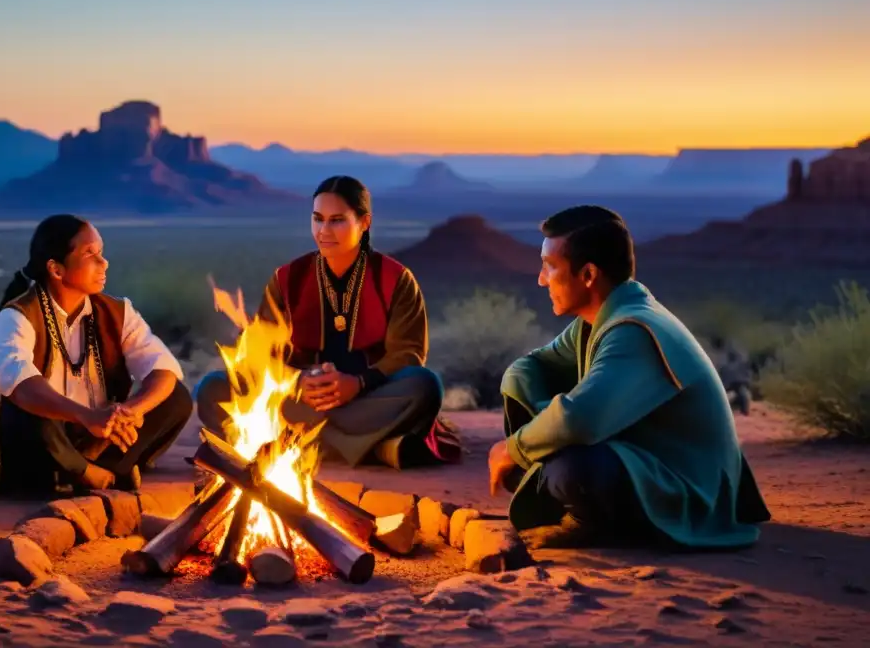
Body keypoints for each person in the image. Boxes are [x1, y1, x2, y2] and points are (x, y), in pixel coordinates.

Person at [488, 205, 770, 549]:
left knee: (572, 468)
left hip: (688, 488)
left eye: (550, 267)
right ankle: (569, 485)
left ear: (588, 275)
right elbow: (527, 370)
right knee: (533, 419)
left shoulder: (633, 330)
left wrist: (518, 447)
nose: (541, 279)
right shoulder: (596, 321)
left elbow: (579, 419)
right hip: (644, 462)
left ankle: (589, 522)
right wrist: (548, 425)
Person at [194, 175, 458, 469]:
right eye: (318, 219)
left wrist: (357, 383)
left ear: (364, 222)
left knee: (425, 386)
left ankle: (300, 443)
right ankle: (373, 448)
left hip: (367, 398)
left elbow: (408, 355)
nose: (324, 230)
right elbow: (262, 354)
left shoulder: (395, 279)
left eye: (337, 220)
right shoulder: (287, 279)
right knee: (213, 389)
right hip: (299, 400)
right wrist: (298, 381)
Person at [0, 214, 193, 498]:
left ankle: (94, 471)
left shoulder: (117, 312)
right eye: (90, 254)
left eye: (101, 253)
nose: (103, 263)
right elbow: (18, 382)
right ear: (56, 270)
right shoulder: (17, 316)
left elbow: (162, 368)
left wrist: (131, 411)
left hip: (97, 437)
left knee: (174, 396)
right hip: (41, 439)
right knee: (27, 409)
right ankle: (92, 474)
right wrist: (86, 416)